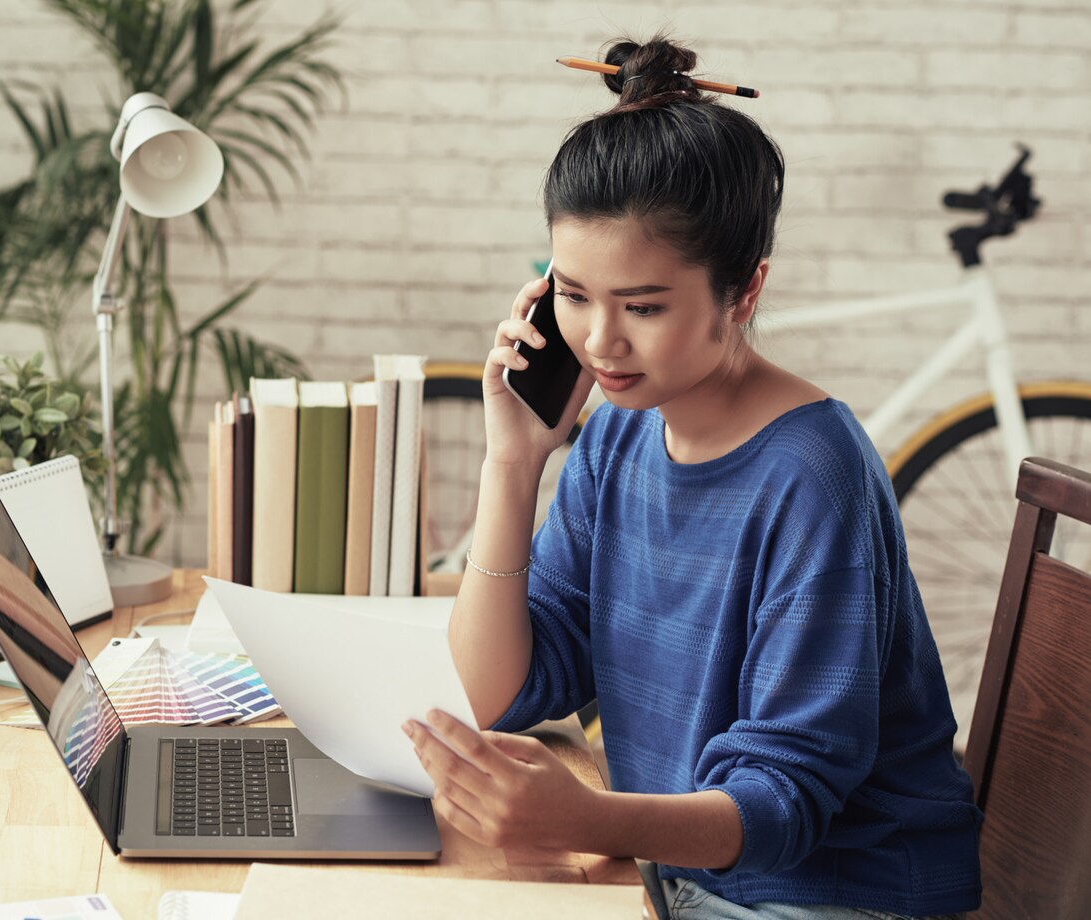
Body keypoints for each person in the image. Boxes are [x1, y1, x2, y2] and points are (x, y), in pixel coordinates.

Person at [402, 34, 982, 919]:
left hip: (825, 899)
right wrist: (512, 462)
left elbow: (784, 801)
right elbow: (502, 691)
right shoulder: (617, 441)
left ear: (743, 292)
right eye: (573, 294)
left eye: (643, 306)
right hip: (682, 880)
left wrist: (591, 818)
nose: (599, 341)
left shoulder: (812, 477)